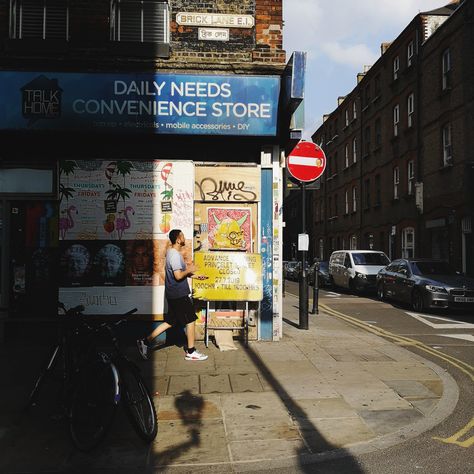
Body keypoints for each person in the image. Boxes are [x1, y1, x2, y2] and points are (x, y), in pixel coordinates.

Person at [136, 229, 208, 361]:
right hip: (179, 295)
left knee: (170, 322)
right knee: (191, 320)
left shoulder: (172, 253)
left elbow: (180, 273)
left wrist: (197, 276)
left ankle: (145, 341)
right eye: (183, 236)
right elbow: (178, 275)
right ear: (178, 239)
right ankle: (191, 352)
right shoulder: (174, 255)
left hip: (173, 294)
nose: (184, 238)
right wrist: (189, 270)